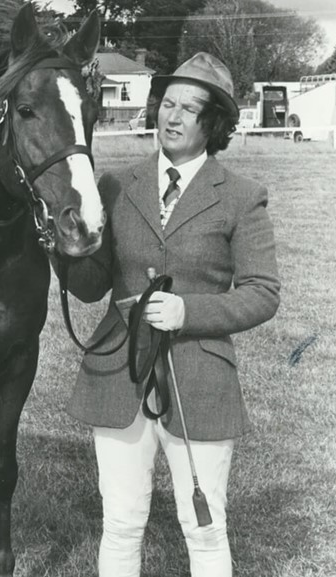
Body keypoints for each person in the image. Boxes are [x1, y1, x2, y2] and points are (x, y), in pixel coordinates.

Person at [61, 52, 281, 576]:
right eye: (167, 104)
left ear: (214, 124)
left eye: (189, 109)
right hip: (118, 376)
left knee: (203, 528)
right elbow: (90, 288)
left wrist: (188, 311)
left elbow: (263, 292)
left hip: (200, 381)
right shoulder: (115, 185)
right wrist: (63, 246)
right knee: (121, 522)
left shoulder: (242, 197)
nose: (172, 117)